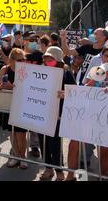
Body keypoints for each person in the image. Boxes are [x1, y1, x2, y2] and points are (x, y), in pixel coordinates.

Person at [66, 43, 108, 180]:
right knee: (74, 143)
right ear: (102, 57)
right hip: (89, 114)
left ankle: (101, 177)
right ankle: (70, 175)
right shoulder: (96, 71)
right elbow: (85, 88)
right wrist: (97, 77)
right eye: (106, 56)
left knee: (104, 150)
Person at [38, 46, 76, 181]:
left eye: (50, 58)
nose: (47, 60)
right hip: (41, 111)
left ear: (58, 60)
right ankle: (48, 168)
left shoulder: (66, 73)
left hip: (57, 113)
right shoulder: (40, 71)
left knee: (54, 142)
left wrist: (66, 94)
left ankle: (59, 170)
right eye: (46, 58)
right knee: (43, 141)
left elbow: (74, 91)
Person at [0, 48, 29, 169]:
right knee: (12, 132)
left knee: (21, 134)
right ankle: (16, 156)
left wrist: (11, 87)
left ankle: (22, 157)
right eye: (20, 59)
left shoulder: (26, 70)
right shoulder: (5, 69)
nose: (23, 61)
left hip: (22, 105)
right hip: (7, 105)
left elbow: (28, 90)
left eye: (24, 59)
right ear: (12, 60)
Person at [23, 31, 43, 158]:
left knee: (34, 120)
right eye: (31, 40)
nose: (34, 42)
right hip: (22, 92)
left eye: (36, 40)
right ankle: (19, 147)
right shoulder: (20, 54)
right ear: (25, 41)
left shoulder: (41, 55)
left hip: (36, 92)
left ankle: (35, 146)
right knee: (21, 121)